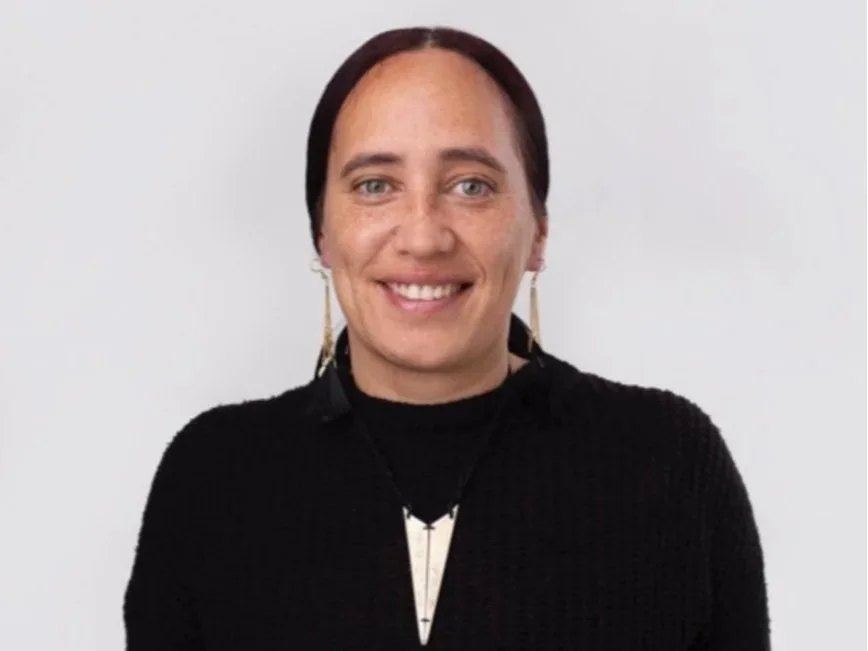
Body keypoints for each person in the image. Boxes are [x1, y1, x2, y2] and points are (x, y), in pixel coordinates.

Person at [123, 26, 771, 650]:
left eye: (471, 186)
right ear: (322, 230)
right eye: (375, 185)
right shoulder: (214, 475)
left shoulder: (667, 462)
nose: (424, 235)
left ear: (538, 231)